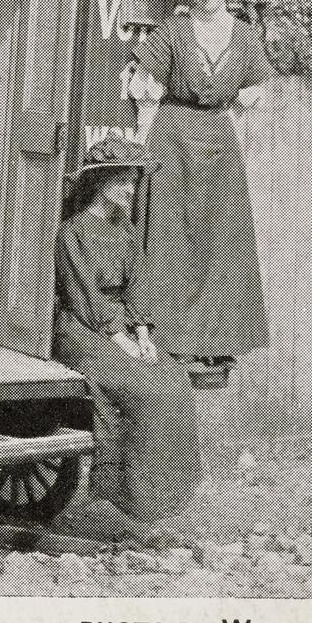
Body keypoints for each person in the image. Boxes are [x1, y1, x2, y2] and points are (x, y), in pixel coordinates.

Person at [126, 0, 272, 374]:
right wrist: (146, 95)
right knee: (169, 235)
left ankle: (216, 340)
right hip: (173, 136)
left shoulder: (245, 36)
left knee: (220, 238)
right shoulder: (173, 31)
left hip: (220, 140)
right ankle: (165, 335)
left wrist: (250, 96)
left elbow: (257, 86)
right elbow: (145, 82)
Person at [53, 138, 202, 523]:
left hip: (121, 326)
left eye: (134, 181)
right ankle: (123, 494)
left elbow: (138, 287)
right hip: (80, 328)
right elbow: (85, 296)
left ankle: (164, 497)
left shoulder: (127, 230)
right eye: (122, 180)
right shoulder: (72, 233)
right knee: (143, 391)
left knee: (174, 381)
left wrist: (142, 333)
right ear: (101, 182)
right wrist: (120, 337)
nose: (131, 189)